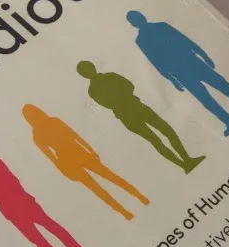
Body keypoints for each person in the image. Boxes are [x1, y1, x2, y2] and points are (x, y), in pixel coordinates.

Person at [126, 10, 229, 136]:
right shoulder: (146, 37)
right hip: (183, 69)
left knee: (218, 87)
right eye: (136, 19)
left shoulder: (158, 28)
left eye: (138, 17)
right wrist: (172, 78)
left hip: (188, 64)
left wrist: (203, 55)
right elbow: (156, 61)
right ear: (135, 23)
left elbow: (183, 41)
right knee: (210, 95)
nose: (139, 19)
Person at [21, 104, 149, 220]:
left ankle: (132, 203)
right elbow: (59, 150)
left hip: (72, 156)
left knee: (102, 184)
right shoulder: (44, 129)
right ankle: (128, 206)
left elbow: (67, 141)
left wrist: (89, 150)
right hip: (71, 157)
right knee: (104, 182)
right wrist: (86, 152)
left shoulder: (45, 128)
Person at [75, 61, 204, 174]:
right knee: (164, 131)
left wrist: (118, 100)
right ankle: (186, 161)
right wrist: (123, 96)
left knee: (156, 139)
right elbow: (128, 86)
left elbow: (110, 102)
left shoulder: (93, 90)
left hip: (126, 116)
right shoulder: (109, 77)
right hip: (136, 107)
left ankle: (184, 164)